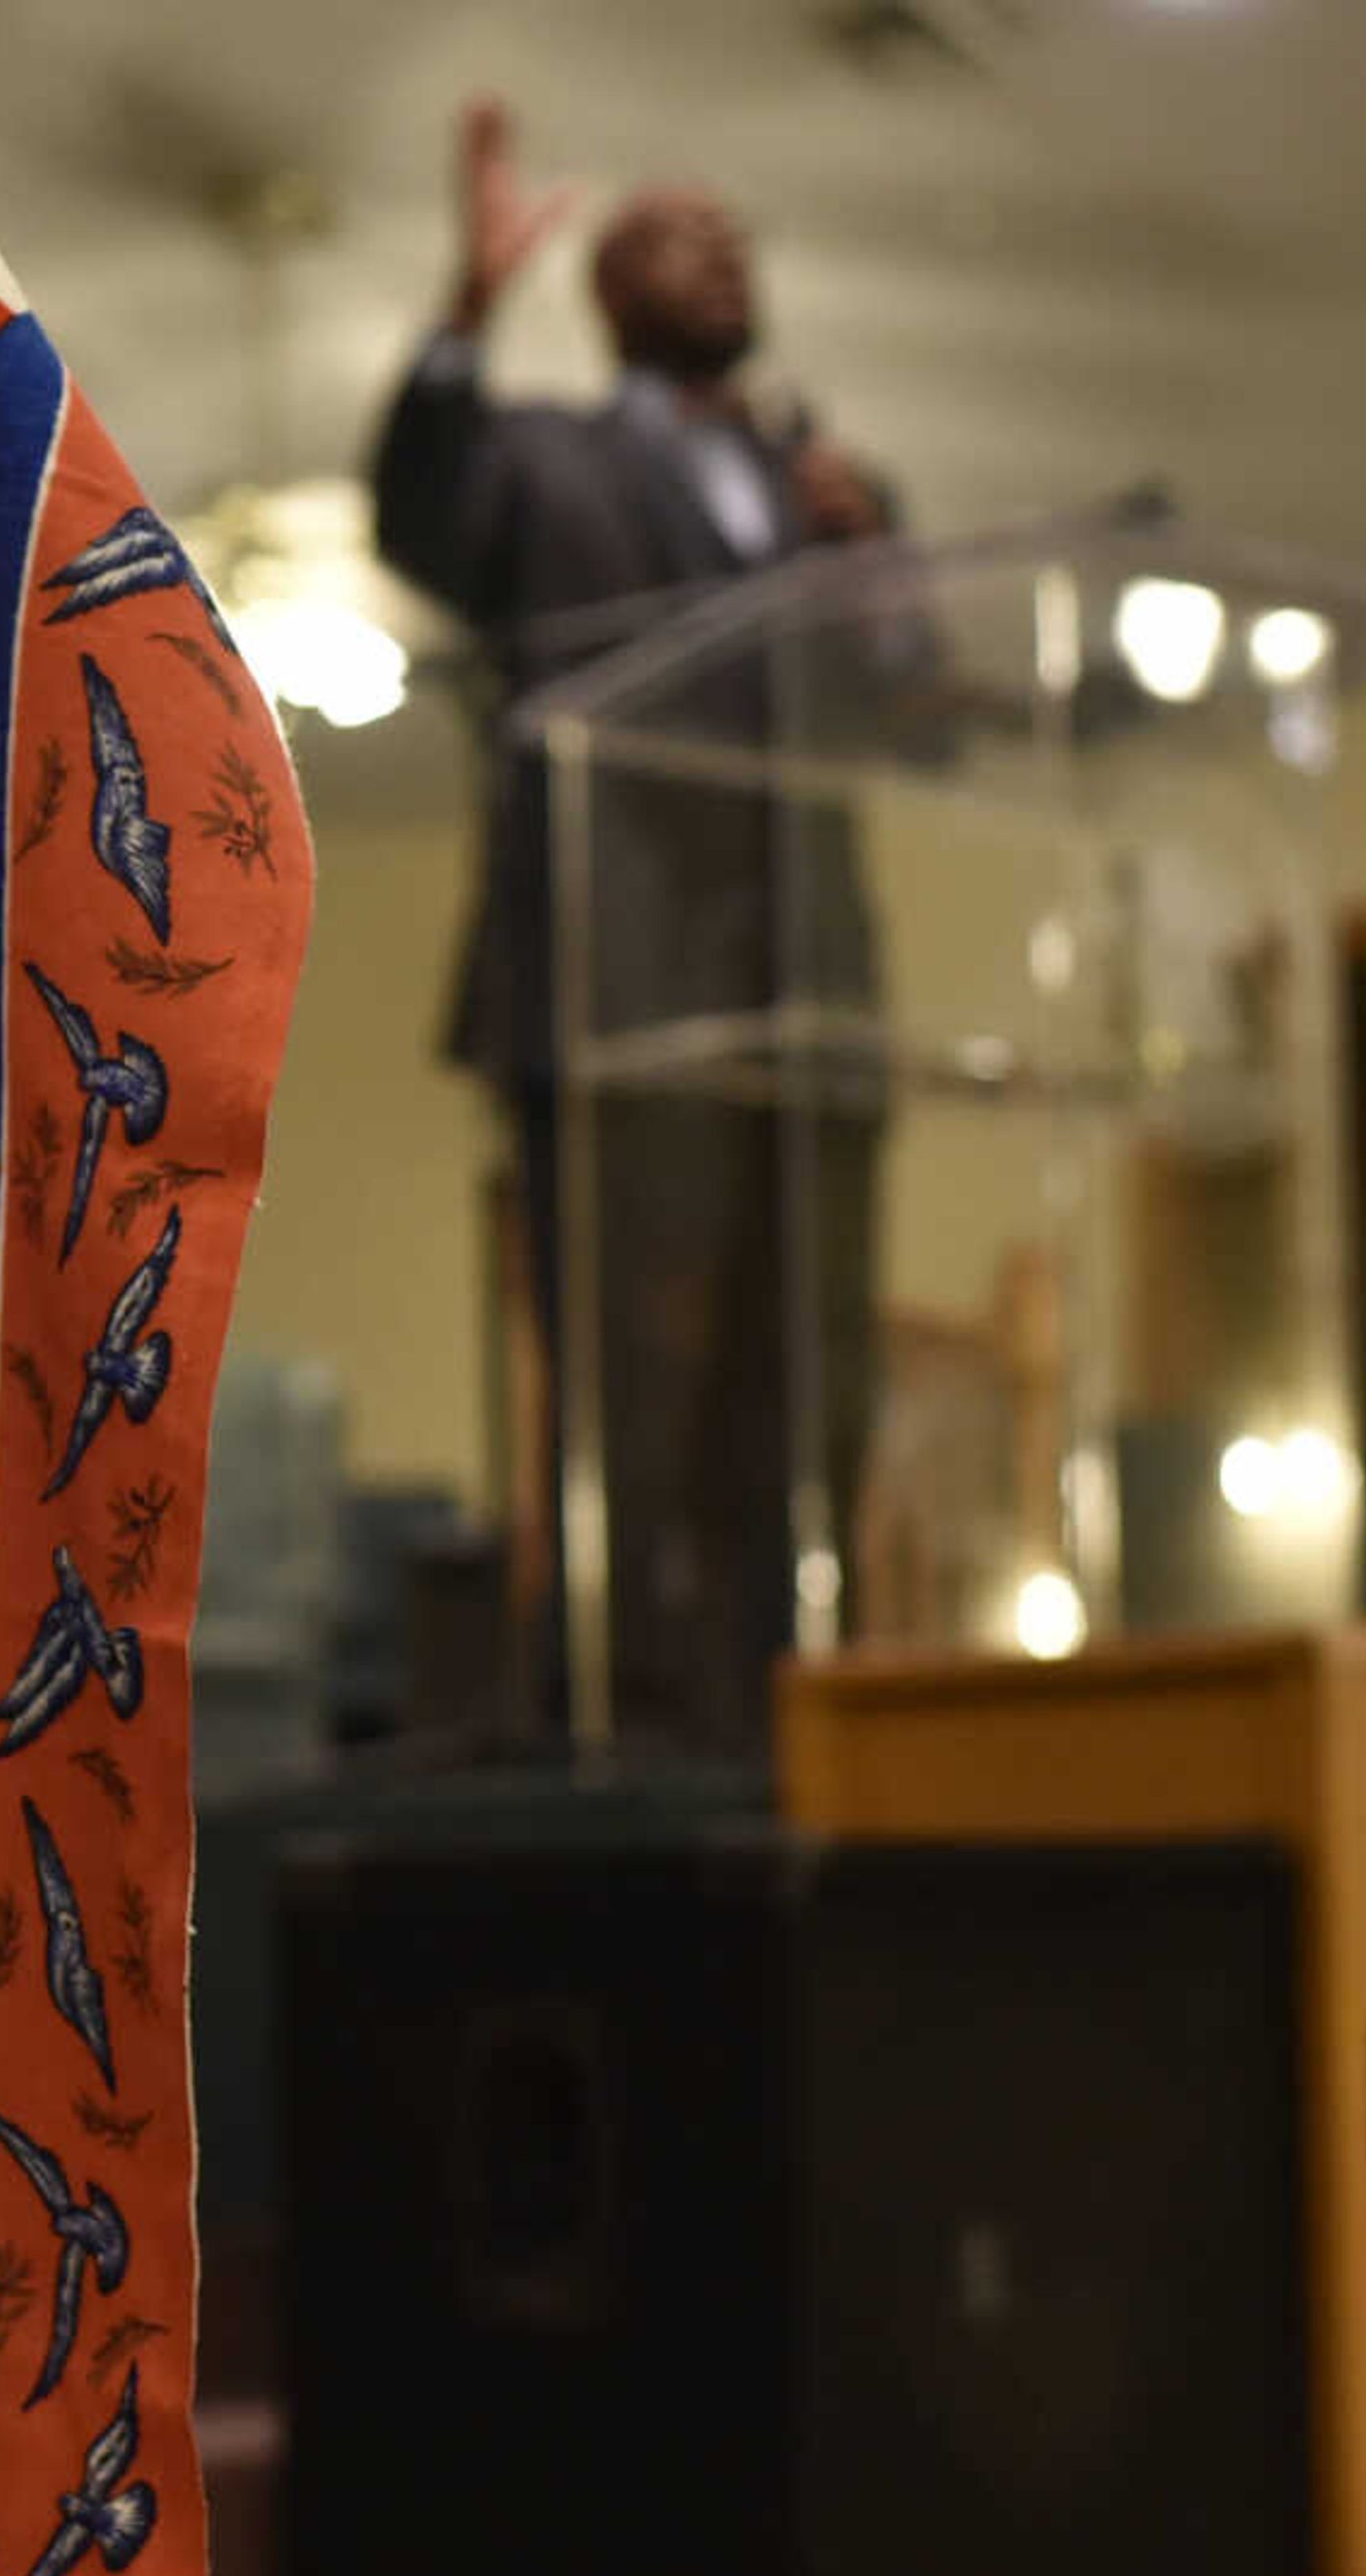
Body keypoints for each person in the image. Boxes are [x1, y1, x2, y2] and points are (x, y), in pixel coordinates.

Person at [373, 104, 910, 1758]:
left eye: (736, 239)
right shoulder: (544, 462)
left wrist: (875, 560)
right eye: (677, 236)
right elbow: (420, 507)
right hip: (622, 996)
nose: (723, 253)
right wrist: (464, 311)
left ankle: (794, 1714)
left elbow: (909, 699)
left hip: (802, 1006)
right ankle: (633, 1741)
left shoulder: (825, 483)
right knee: (640, 1401)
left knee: (806, 1395)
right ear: (604, 291)